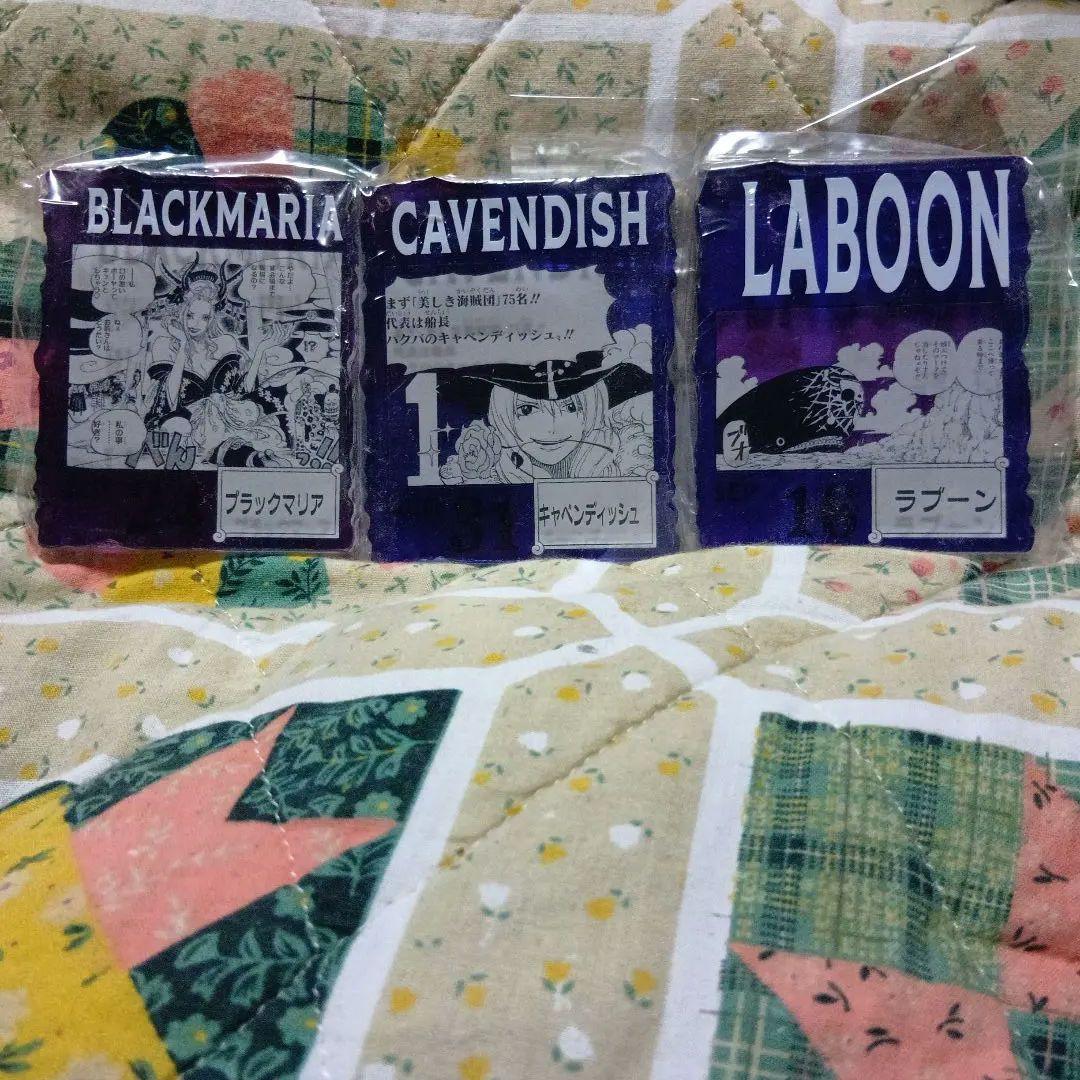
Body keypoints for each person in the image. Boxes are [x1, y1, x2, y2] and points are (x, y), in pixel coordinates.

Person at [438, 351, 654, 484]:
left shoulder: (621, 461)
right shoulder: (490, 474)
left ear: (591, 412)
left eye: (571, 407)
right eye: (527, 410)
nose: (552, 428)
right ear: (503, 417)